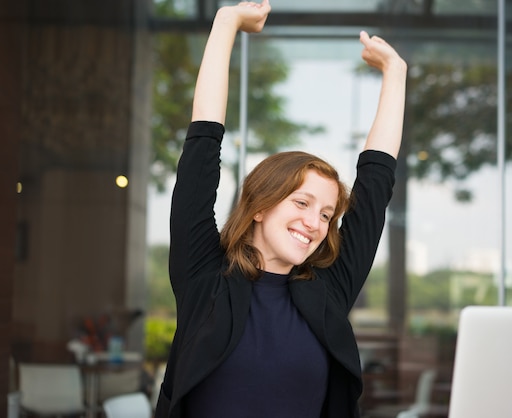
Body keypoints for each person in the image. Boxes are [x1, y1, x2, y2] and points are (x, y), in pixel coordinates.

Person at [154, 1, 407, 417]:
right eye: (302, 203)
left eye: (326, 214)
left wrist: (395, 73)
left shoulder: (329, 291)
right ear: (259, 207)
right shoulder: (203, 276)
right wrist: (227, 22)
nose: (314, 222)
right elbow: (202, 146)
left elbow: (377, 183)